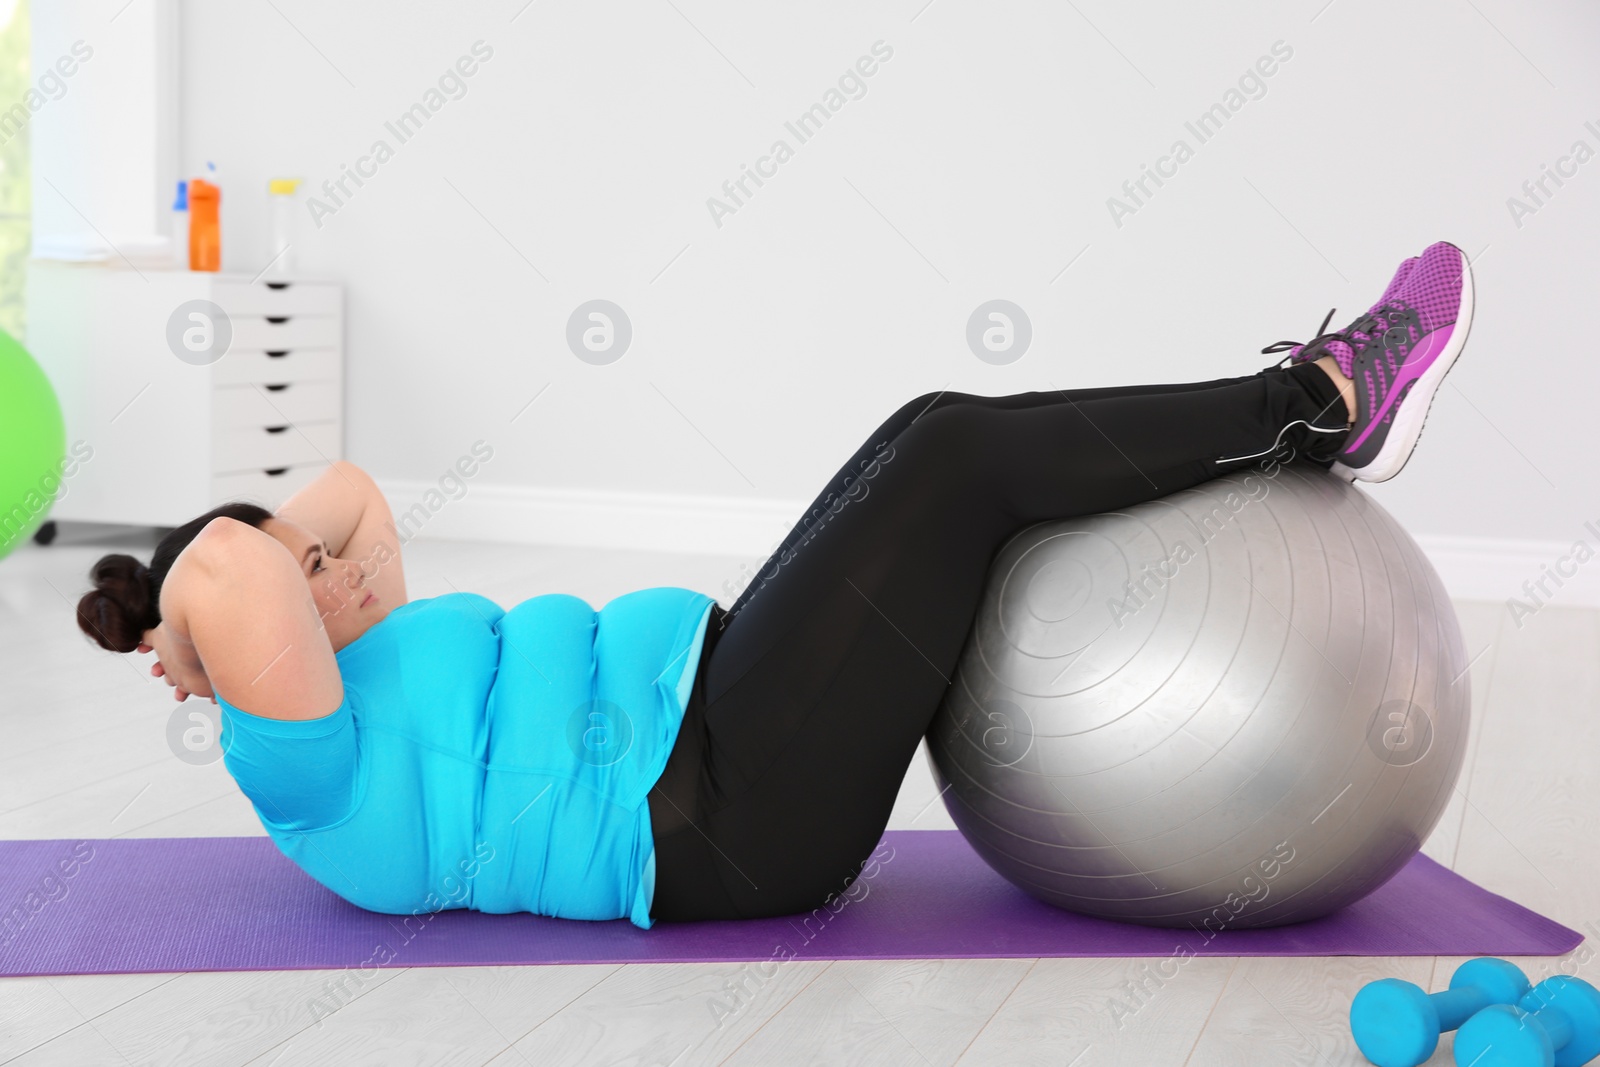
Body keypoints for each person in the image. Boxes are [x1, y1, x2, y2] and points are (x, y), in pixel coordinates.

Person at [75, 241, 1472, 928]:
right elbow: (230, 563)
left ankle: (1299, 398)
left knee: (933, 427)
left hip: (721, 699)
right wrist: (185, 623)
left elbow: (349, 502)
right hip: (721, 821)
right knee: (962, 467)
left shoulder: (348, 650)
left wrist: (264, 569)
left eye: (315, 567)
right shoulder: (298, 765)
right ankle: (1316, 396)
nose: (329, 571)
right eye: (293, 572)